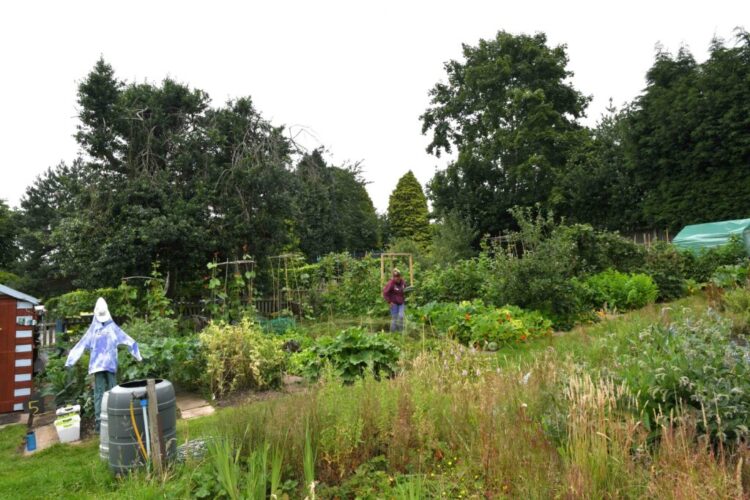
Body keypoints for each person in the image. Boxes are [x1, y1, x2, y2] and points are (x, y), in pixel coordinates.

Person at [65, 298, 142, 432]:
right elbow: (81, 345)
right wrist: (70, 361)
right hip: (100, 367)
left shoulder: (110, 328)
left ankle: (115, 418)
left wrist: (137, 354)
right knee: (102, 392)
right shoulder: (96, 330)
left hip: (107, 366)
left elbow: (128, 340)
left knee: (112, 391)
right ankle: (101, 423)